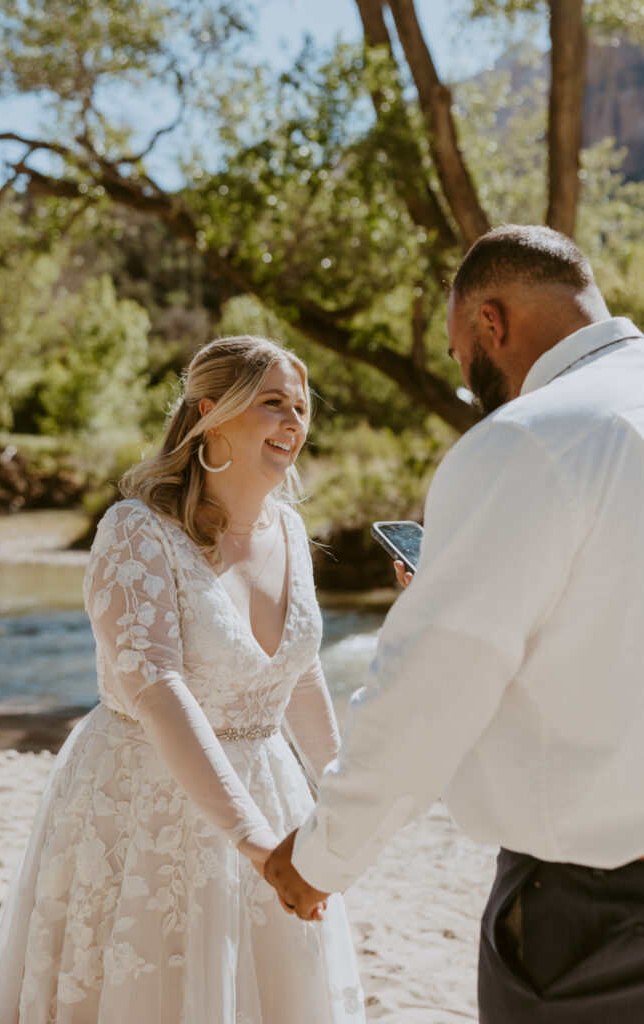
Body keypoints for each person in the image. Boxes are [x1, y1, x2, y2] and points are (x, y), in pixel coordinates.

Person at [265, 225, 644, 1023]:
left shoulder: (524, 442)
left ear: (489, 325)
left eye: (455, 355)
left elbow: (429, 689)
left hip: (594, 918)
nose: (467, 381)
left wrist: (321, 859)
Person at [0, 335, 364, 1023]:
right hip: (145, 804)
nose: (294, 422)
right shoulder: (135, 531)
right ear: (210, 412)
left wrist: (347, 801)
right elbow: (158, 693)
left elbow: (296, 678)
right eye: (273, 404)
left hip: (274, 795)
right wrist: (254, 841)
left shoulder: (291, 533)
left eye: (301, 408)